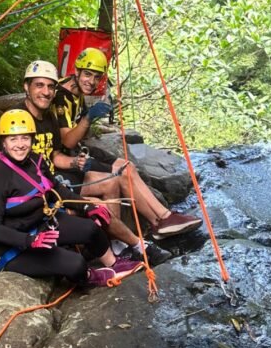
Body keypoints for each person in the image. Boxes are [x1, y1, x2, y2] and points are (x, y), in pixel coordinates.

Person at [54, 47, 201, 246]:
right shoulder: (62, 97)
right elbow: (67, 141)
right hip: (66, 158)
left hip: (76, 149)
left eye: (97, 77)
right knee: (121, 172)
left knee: (127, 166)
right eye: (87, 74)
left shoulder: (77, 91)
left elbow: (78, 133)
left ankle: (162, 218)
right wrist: (89, 118)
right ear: (77, 71)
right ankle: (159, 221)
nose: (92, 81)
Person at [0, 108, 142, 287]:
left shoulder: (35, 160)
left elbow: (55, 188)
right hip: (14, 246)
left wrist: (87, 206)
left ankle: (113, 264)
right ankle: (89, 276)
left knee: (91, 228)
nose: (20, 144)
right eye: (13, 139)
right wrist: (29, 241)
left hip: (41, 224)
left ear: (32, 139)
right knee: (75, 264)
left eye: (25, 138)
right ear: (3, 142)